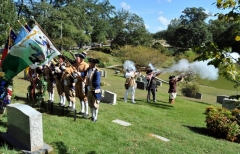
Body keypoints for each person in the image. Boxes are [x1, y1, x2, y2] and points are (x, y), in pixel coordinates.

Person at [71, 52, 89, 118]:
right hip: (77, 82)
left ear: (81, 59)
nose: (76, 59)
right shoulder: (75, 64)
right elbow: (73, 71)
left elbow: (86, 73)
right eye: (76, 58)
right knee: (80, 97)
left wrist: (80, 73)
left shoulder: (85, 65)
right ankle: (82, 110)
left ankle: (86, 112)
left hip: (83, 82)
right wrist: (74, 75)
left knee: (84, 97)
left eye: (77, 58)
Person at [85, 58, 101, 122]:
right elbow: (84, 74)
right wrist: (78, 73)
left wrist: (91, 86)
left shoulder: (97, 71)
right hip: (89, 90)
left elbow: (97, 82)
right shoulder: (88, 70)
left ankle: (95, 117)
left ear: (93, 64)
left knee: (95, 104)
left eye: (90, 63)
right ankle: (92, 116)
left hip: (95, 90)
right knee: (90, 103)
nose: (89, 64)